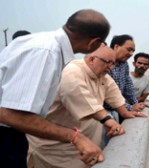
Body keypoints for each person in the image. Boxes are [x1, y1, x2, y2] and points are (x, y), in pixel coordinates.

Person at [0, 9, 110, 168]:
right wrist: (76, 137)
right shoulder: (47, 52)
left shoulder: (42, 44)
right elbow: (11, 115)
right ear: (93, 43)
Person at [27, 45, 145, 168]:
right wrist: (109, 121)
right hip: (57, 147)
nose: (110, 68)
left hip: (84, 144)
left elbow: (113, 92)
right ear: (92, 59)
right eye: (107, 62)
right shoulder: (72, 71)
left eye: (113, 64)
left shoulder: (102, 75)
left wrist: (125, 112)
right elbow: (81, 98)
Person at [104, 34, 147, 123]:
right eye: (129, 50)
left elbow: (128, 85)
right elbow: (106, 95)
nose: (131, 54)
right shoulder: (104, 63)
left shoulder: (124, 64)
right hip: (102, 113)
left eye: (133, 51)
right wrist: (130, 107)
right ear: (116, 47)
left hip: (118, 110)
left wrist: (135, 103)